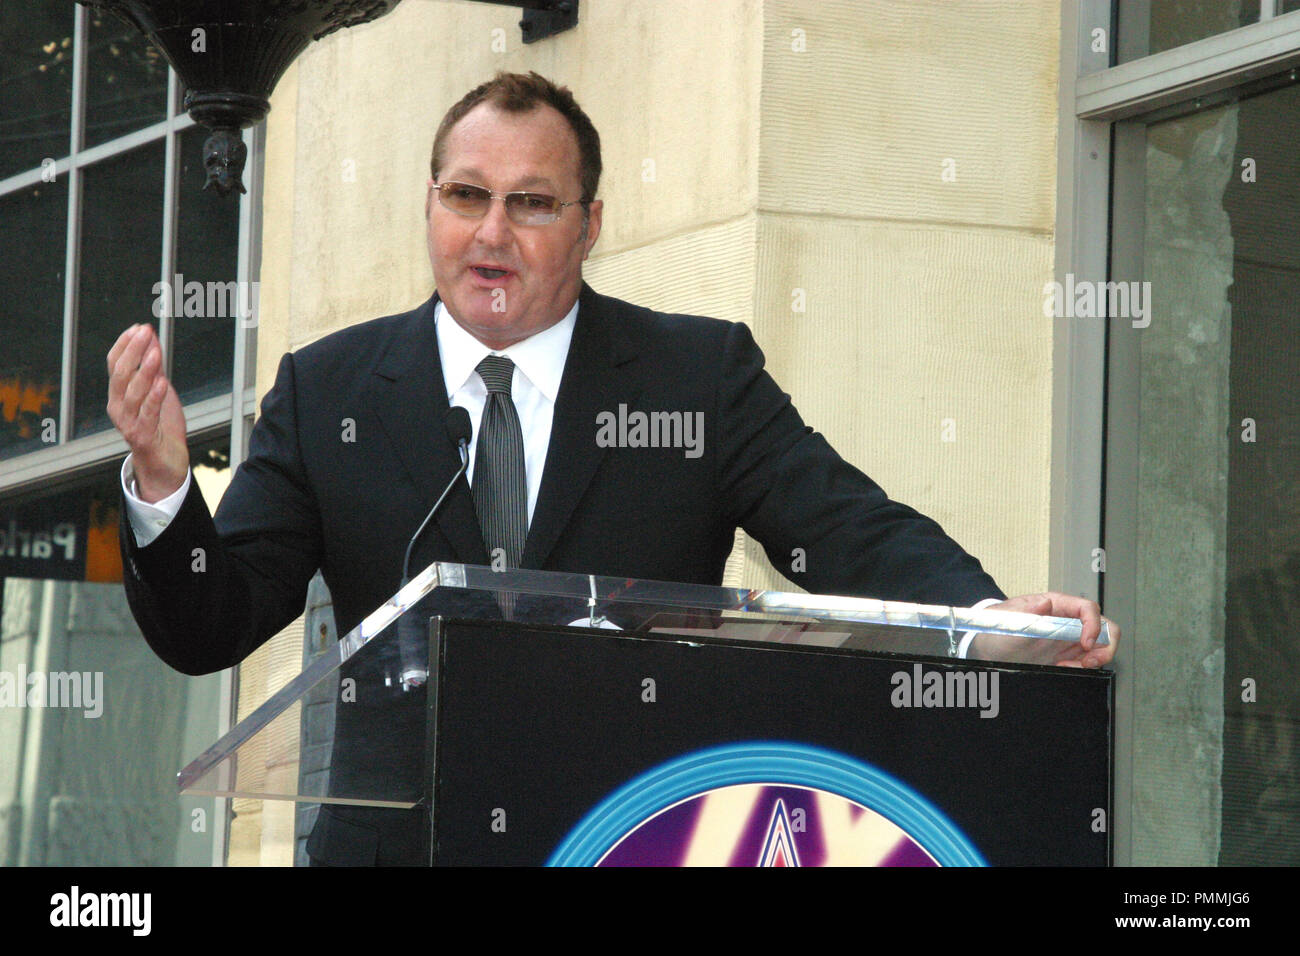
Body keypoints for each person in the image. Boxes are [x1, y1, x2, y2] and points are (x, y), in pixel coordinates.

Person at [108, 72, 1118, 865]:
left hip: (633, 828)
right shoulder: (329, 390)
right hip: (396, 850)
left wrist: (980, 620)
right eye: (467, 196)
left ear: (590, 225)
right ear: (429, 206)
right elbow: (215, 624)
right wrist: (162, 490)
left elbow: (845, 524)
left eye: (531, 203)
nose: (491, 232)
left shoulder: (696, 375)